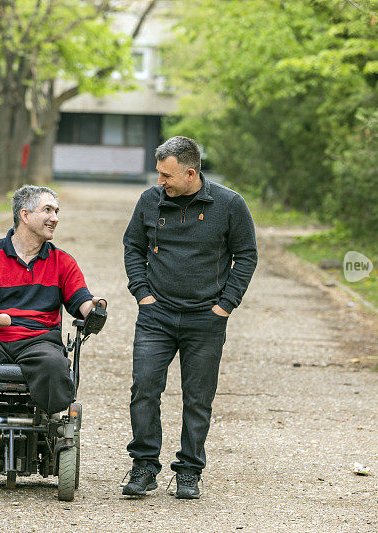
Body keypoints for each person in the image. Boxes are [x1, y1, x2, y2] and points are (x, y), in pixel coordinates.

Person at [121, 136, 258, 499]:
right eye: (159, 174)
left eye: (167, 175)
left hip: (206, 318)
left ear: (190, 172)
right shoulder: (150, 200)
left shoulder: (229, 204)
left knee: (198, 397)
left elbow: (246, 256)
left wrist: (225, 305)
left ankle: (189, 471)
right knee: (144, 388)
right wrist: (143, 294)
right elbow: (132, 246)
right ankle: (144, 467)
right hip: (156, 315)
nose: (160, 181)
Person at [0, 185, 102, 415]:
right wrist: (4, 321)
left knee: (54, 364)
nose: (55, 218)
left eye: (56, 211)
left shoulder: (62, 262)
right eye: (48, 210)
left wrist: (95, 306)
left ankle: (48, 418)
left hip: (39, 342)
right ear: (25, 215)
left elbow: (82, 301)